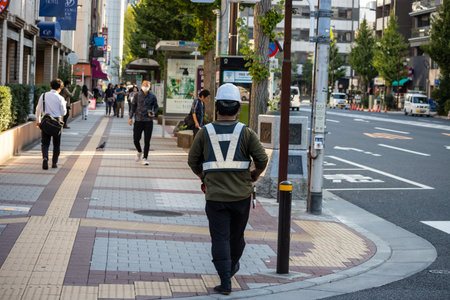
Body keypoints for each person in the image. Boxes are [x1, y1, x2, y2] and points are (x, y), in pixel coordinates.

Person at [187, 83, 268, 295]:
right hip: (241, 196)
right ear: (238, 109)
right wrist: (254, 175)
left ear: (217, 107)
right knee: (237, 236)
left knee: (220, 238)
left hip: (215, 197)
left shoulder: (205, 133)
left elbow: (192, 160)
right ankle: (231, 268)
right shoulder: (246, 133)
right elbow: (262, 158)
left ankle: (225, 280)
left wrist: (202, 175)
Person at [35, 78, 67, 170]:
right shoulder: (61, 98)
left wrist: (38, 121)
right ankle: (54, 163)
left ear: (50, 86)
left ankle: (45, 157)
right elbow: (63, 113)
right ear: (60, 88)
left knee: (45, 143)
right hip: (57, 122)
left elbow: (38, 109)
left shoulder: (44, 95)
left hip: (46, 121)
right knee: (56, 144)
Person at [129, 81, 159, 166]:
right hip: (138, 120)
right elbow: (133, 106)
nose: (145, 86)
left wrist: (153, 112)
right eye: (144, 85)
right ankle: (139, 151)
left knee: (147, 141)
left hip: (148, 121)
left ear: (150, 87)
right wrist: (130, 117)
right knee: (136, 139)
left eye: (147, 85)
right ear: (141, 86)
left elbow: (156, 106)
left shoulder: (152, 96)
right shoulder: (137, 95)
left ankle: (145, 158)